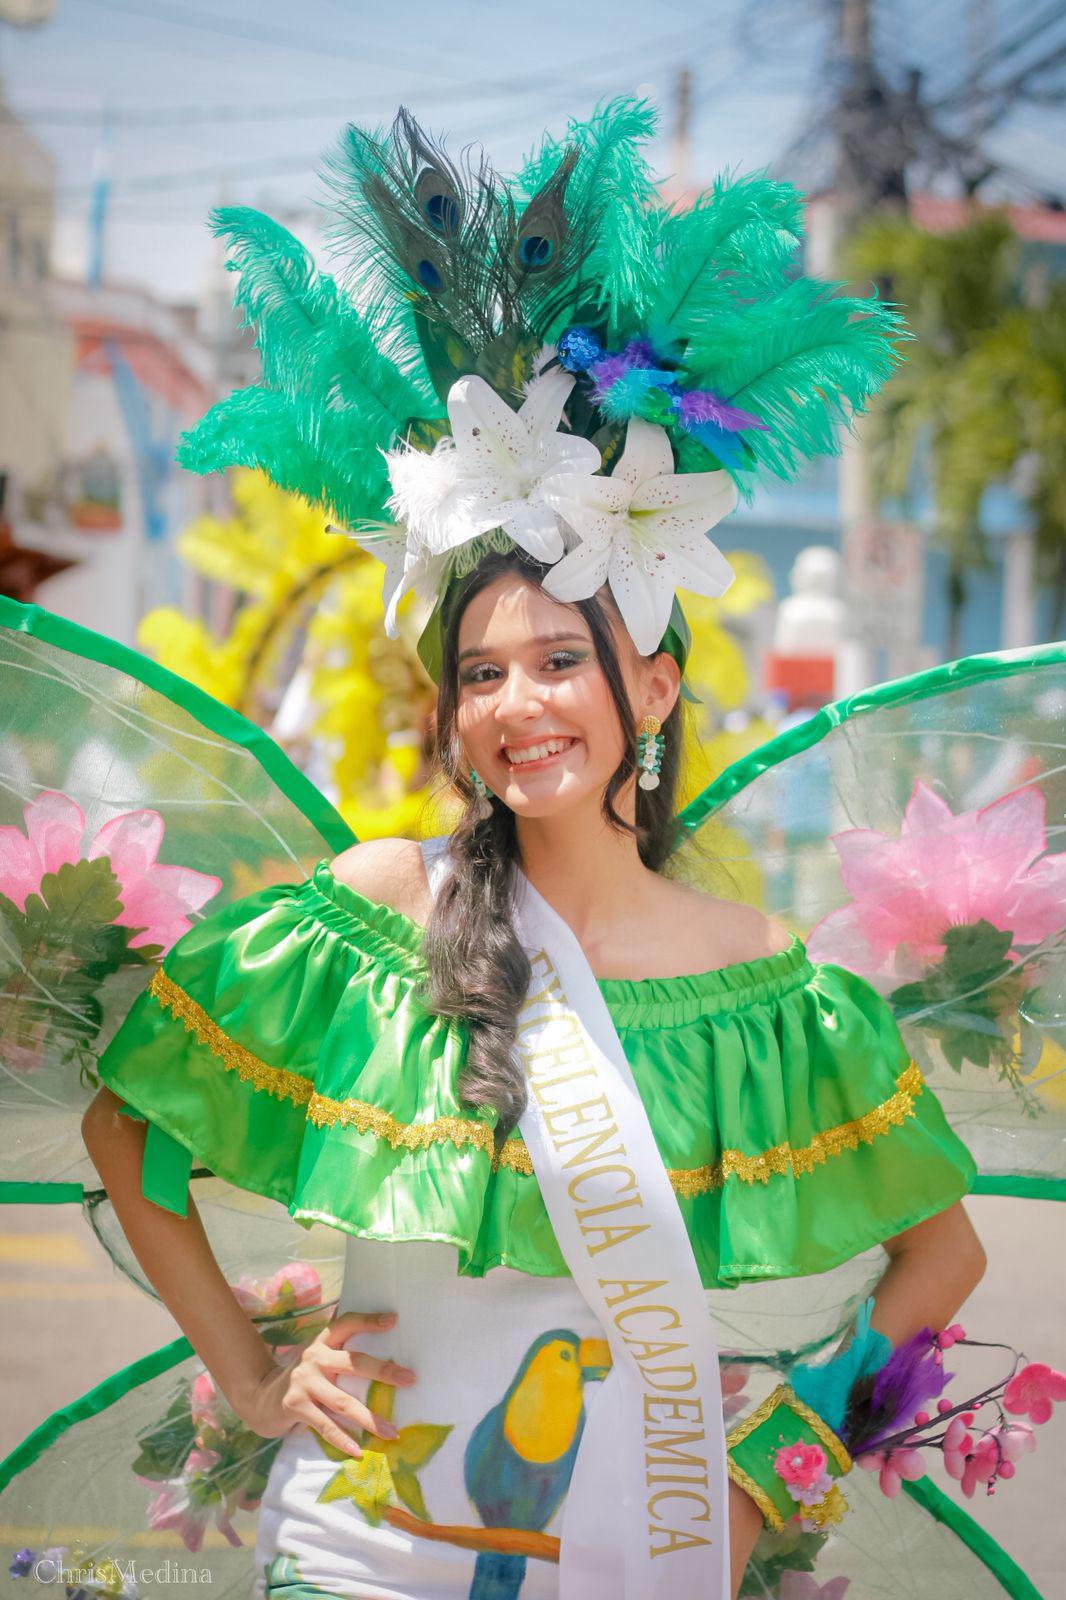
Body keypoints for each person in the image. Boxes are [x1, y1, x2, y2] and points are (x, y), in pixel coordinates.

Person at [3, 99, 1057, 1600]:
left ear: (654, 685)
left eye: (559, 660)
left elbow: (937, 1260)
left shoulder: (770, 985)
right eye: (479, 674)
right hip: (361, 1550)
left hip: (650, 1550)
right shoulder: (375, 911)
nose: (516, 706)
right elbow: (128, 1127)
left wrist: (785, 1466)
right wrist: (247, 1372)